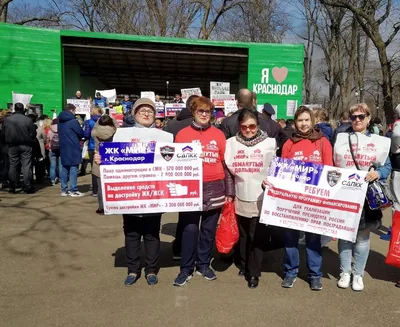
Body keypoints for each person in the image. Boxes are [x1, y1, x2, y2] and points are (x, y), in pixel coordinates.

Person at [95, 98, 172, 286]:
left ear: (155, 115)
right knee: (131, 233)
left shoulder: (165, 137)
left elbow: (175, 160)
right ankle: (133, 269)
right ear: (134, 113)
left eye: (150, 111)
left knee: (152, 234)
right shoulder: (121, 134)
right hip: (130, 195)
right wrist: (101, 159)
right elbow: (112, 158)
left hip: (154, 194)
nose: (146, 114)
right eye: (142, 110)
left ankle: (151, 269)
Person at [264, 106, 333, 291]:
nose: (303, 124)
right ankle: (290, 271)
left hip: (313, 202)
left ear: (312, 121)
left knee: (313, 239)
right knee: (290, 238)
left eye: (306, 120)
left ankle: (315, 275)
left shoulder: (322, 142)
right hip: (292, 201)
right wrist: (270, 181)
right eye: (300, 120)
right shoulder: (289, 144)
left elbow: (330, 171)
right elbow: (280, 171)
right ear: (295, 123)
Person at [173, 96, 232, 286]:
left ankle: (204, 265)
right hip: (190, 188)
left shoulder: (219, 134)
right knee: (189, 230)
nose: (205, 114)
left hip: (215, 187)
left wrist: (228, 191)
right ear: (193, 112)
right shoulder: (182, 134)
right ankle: (186, 268)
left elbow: (225, 164)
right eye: (201, 111)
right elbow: (172, 163)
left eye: (208, 111)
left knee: (208, 230)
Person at [334, 103, 391, 291]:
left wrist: (379, 173)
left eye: (361, 116)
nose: (357, 120)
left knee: (363, 236)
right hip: (344, 193)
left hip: (366, 196)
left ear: (368, 118)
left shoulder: (380, 141)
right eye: (353, 117)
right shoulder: (341, 138)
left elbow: (387, 166)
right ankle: (345, 271)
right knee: (345, 234)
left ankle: (358, 274)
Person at [225, 108, 277, 288]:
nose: (248, 130)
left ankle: (254, 272)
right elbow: (228, 171)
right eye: (244, 127)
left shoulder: (269, 143)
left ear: (258, 125)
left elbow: (275, 168)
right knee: (244, 234)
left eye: (252, 126)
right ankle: (243, 264)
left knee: (257, 235)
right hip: (240, 196)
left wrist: (271, 181)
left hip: (261, 197)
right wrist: (229, 193)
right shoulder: (231, 143)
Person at [163, 94, 200, 260]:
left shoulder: (171, 124)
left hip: (177, 174)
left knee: (184, 215)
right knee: (196, 217)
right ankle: (194, 250)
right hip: (196, 174)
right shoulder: (196, 126)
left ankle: (179, 248)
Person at [3, 103, 36, 194]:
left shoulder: (7, 120)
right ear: (22, 109)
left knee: (13, 166)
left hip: (12, 145)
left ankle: (12, 186)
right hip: (26, 145)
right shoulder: (28, 120)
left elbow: (3, 134)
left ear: (14, 108)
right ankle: (27, 186)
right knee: (26, 166)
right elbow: (33, 133)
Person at [91, 115, 118, 215]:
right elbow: (117, 126)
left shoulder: (94, 132)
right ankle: (114, 206)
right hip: (112, 159)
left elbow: (94, 126)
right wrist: (113, 120)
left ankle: (101, 207)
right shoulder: (116, 132)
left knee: (100, 187)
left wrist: (99, 119)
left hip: (99, 159)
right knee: (113, 185)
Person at [58, 103, 85, 197]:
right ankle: (74, 190)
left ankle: (64, 190)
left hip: (63, 146)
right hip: (73, 147)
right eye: (74, 111)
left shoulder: (59, 121)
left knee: (64, 168)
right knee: (73, 168)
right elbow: (81, 133)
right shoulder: (73, 121)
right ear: (71, 111)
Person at [83, 106, 103, 197]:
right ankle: (102, 189)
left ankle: (95, 191)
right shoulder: (104, 121)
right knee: (103, 169)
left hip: (92, 147)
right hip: (103, 147)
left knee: (94, 170)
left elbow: (86, 135)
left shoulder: (88, 122)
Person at [47, 118, 61, 186]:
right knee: (61, 165)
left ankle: (52, 180)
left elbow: (47, 140)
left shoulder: (50, 130)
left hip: (52, 149)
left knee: (52, 165)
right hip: (61, 148)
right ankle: (61, 179)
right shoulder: (62, 129)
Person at [0, 109, 12, 189]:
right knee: (9, 165)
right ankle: (10, 180)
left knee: (5, 165)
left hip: (3, 147)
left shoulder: (3, 124)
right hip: (8, 146)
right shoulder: (10, 125)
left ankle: (5, 180)